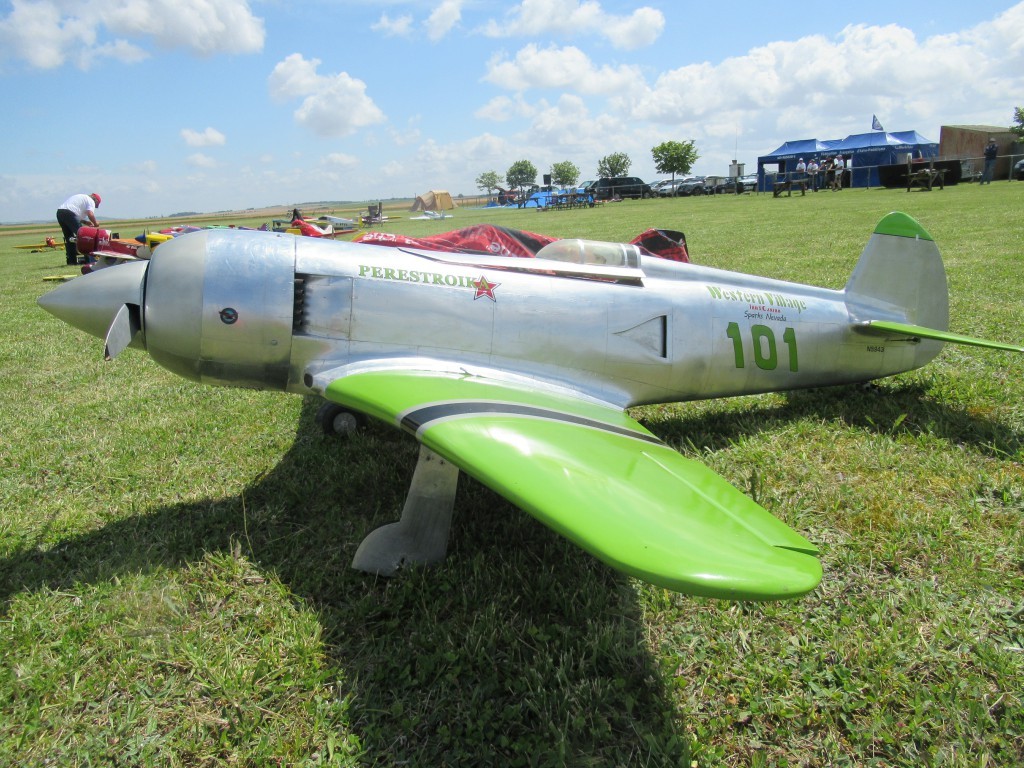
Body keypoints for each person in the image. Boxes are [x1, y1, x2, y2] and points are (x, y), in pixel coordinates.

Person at [56, 192, 101, 265]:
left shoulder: (81, 198)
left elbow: (74, 215)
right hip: (69, 213)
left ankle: (71, 261)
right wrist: (95, 223)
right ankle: (90, 261)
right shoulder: (90, 201)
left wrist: (86, 222)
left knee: (69, 238)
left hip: (60, 212)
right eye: (96, 205)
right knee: (84, 237)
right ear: (95, 200)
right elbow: (90, 214)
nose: (94, 207)